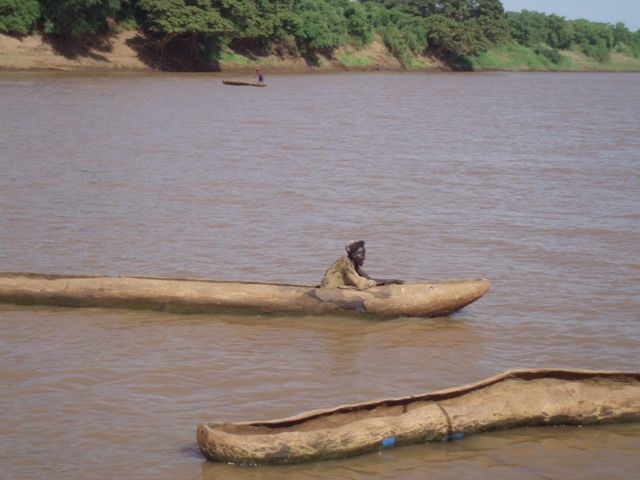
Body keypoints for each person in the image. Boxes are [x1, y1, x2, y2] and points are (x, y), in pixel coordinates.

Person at [320, 240, 403, 289]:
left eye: (364, 254)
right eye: (361, 254)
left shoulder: (353, 264)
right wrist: (383, 283)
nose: (364, 257)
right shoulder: (346, 263)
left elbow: (369, 279)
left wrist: (392, 280)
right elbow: (360, 283)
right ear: (353, 254)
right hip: (330, 289)